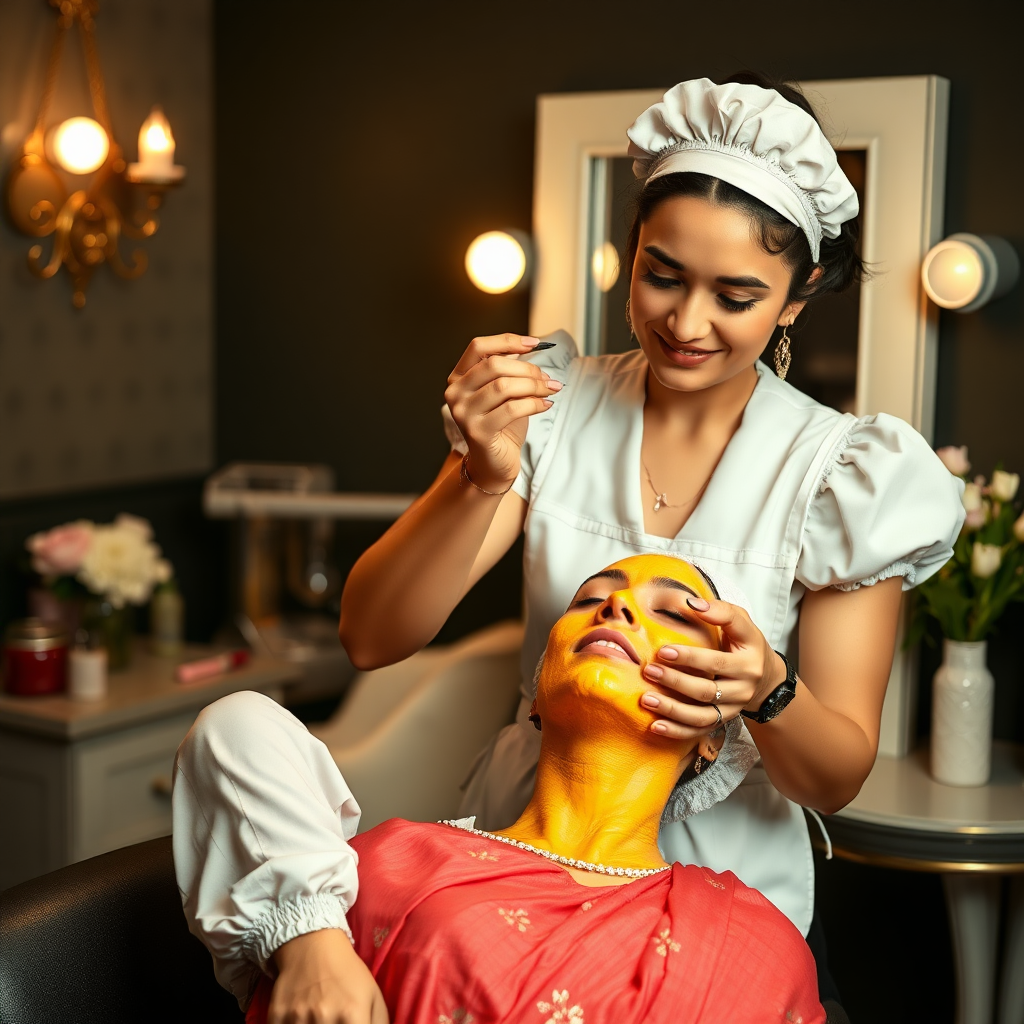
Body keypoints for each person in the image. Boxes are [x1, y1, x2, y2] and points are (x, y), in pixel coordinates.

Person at [337, 74, 965, 975]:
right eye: (661, 275)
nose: (686, 322)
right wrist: (481, 477)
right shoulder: (549, 408)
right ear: (630, 251)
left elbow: (834, 777)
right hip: (534, 855)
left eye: (735, 295)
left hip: (727, 898)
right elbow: (369, 635)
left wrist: (769, 687)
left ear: (796, 296)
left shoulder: (841, 476)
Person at [174, 555, 825, 1024]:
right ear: (537, 697)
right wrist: (310, 944)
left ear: (713, 737)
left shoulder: (752, 941)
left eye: (672, 615)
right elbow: (234, 727)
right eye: (589, 598)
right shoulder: (369, 869)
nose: (616, 606)